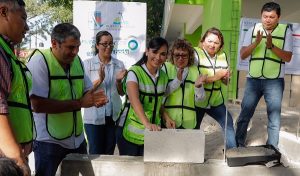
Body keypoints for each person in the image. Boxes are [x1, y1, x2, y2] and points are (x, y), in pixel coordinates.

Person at [27, 23, 108, 176]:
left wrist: (95, 98)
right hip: (49, 143)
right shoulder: (39, 62)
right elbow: (36, 104)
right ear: (54, 43)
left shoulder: (77, 61)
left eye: (78, 47)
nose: (75, 52)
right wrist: (79, 103)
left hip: (77, 140)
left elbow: (86, 91)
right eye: (71, 47)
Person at [235, 2, 293, 148]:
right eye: (265, 16)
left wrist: (271, 46)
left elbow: (287, 57)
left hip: (274, 81)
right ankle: (237, 143)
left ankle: (272, 147)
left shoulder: (286, 31)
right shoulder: (253, 29)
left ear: (278, 18)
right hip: (253, 79)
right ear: (261, 16)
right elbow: (242, 55)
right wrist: (256, 43)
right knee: (245, 113)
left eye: (271, 17)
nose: (267, 20)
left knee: (274, 117)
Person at [119, 37, 169, 156]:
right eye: (155, 52)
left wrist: (166, 117)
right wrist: (147, 124)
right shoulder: (134, 72)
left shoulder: (163, 76)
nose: (158, 57)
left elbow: (159, 102)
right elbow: (134, 99)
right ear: (147, 51)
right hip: (130, 134)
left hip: (152, 134)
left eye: (163, 54)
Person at [0, 0, 32, 175]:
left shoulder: (6, 52)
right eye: (23, 19)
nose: (26, 27)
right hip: (7, 163)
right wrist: (18, 160)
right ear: (4, 12)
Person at [83, 30, 127, 155]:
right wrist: (100, 80)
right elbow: (85, 93)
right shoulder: (87, 64)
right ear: (97, 45)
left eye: (111, 44)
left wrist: (119, 82)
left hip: (113, 118)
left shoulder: (119, 64)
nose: (109, 47)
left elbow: (122, 93)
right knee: (95, 154)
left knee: (109, 153)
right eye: (105, 44)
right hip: (94, 118)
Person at [194, 27, 237, 149]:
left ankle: (232, 151)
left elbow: (225, 82)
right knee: (193, 128)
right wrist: (218, 76)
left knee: (228, 122)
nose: (212, 45)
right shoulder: (195, 53)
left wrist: (225, 78)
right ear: (203, 41)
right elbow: (196, 79)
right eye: (209, 41)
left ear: (220, 45)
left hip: (215, 100)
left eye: (216, 43)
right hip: (198, 100)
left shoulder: (223, 56)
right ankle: (191, 155)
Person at [162, 39, 206, 129]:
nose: (180, 58)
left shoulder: (195, 70)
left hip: (189, 121)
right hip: (170, 120)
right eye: (177, 55)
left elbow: (200, 100)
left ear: (189, 56)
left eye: (184, 55)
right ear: (172, 55)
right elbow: (162, 93)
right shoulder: (165, 68)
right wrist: (177, 81)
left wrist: (198, 87)